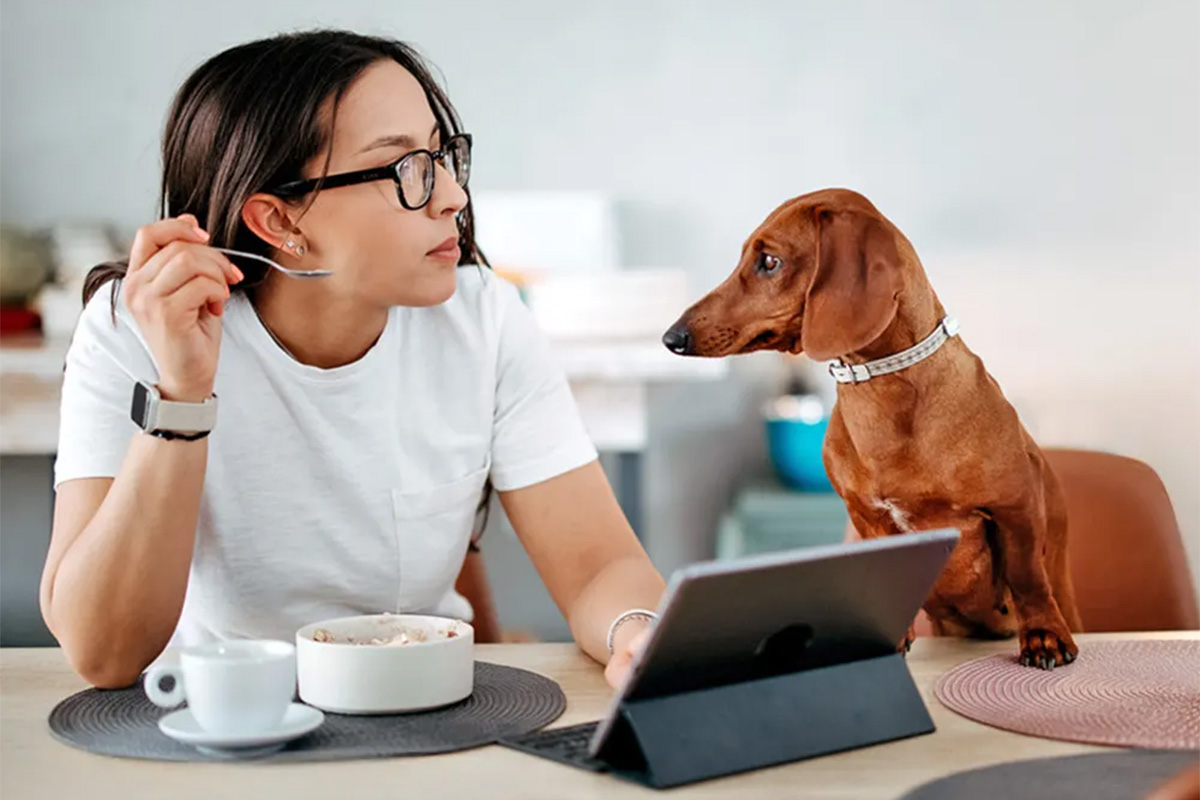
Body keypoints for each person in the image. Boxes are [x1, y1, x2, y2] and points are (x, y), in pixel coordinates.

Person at [39, 29, 664, 690]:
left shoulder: (484, 319)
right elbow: (104, 653)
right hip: (216, 724)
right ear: (280, 222)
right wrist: (184, 394)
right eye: (406, 170)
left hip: (423, 705)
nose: (453, 197)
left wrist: (637, 631)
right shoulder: (132, 331)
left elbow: (597, 566)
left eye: (443, 156)